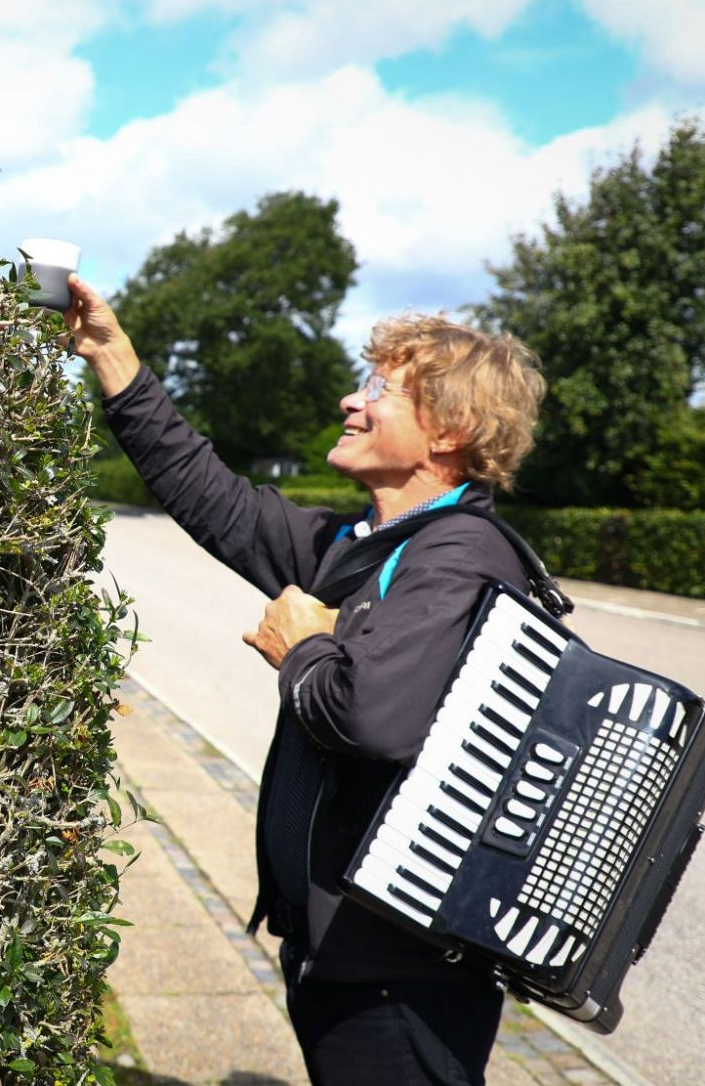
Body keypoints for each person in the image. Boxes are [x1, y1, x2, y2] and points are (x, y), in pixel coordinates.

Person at [66, 275, 546, 1086]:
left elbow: (371, 717)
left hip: (399, 977)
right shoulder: (366, 545)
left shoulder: (460, 557)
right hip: (339, 951)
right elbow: (209, 494)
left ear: (450, 432)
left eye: (380, 390)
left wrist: (301, 647)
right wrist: (112, 355)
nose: (351, 401)